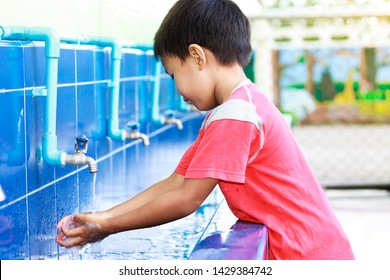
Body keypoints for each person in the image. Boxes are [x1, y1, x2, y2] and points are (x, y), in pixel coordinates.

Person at [56, 0, 355, 260]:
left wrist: (109, 227)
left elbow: (186, 199)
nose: (177, 90)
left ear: (197, 57)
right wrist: (104, 217)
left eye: (174, 74)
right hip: (313, 250)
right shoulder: (238, 106)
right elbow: (175, 182)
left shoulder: (237, 115)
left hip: (307, 256)